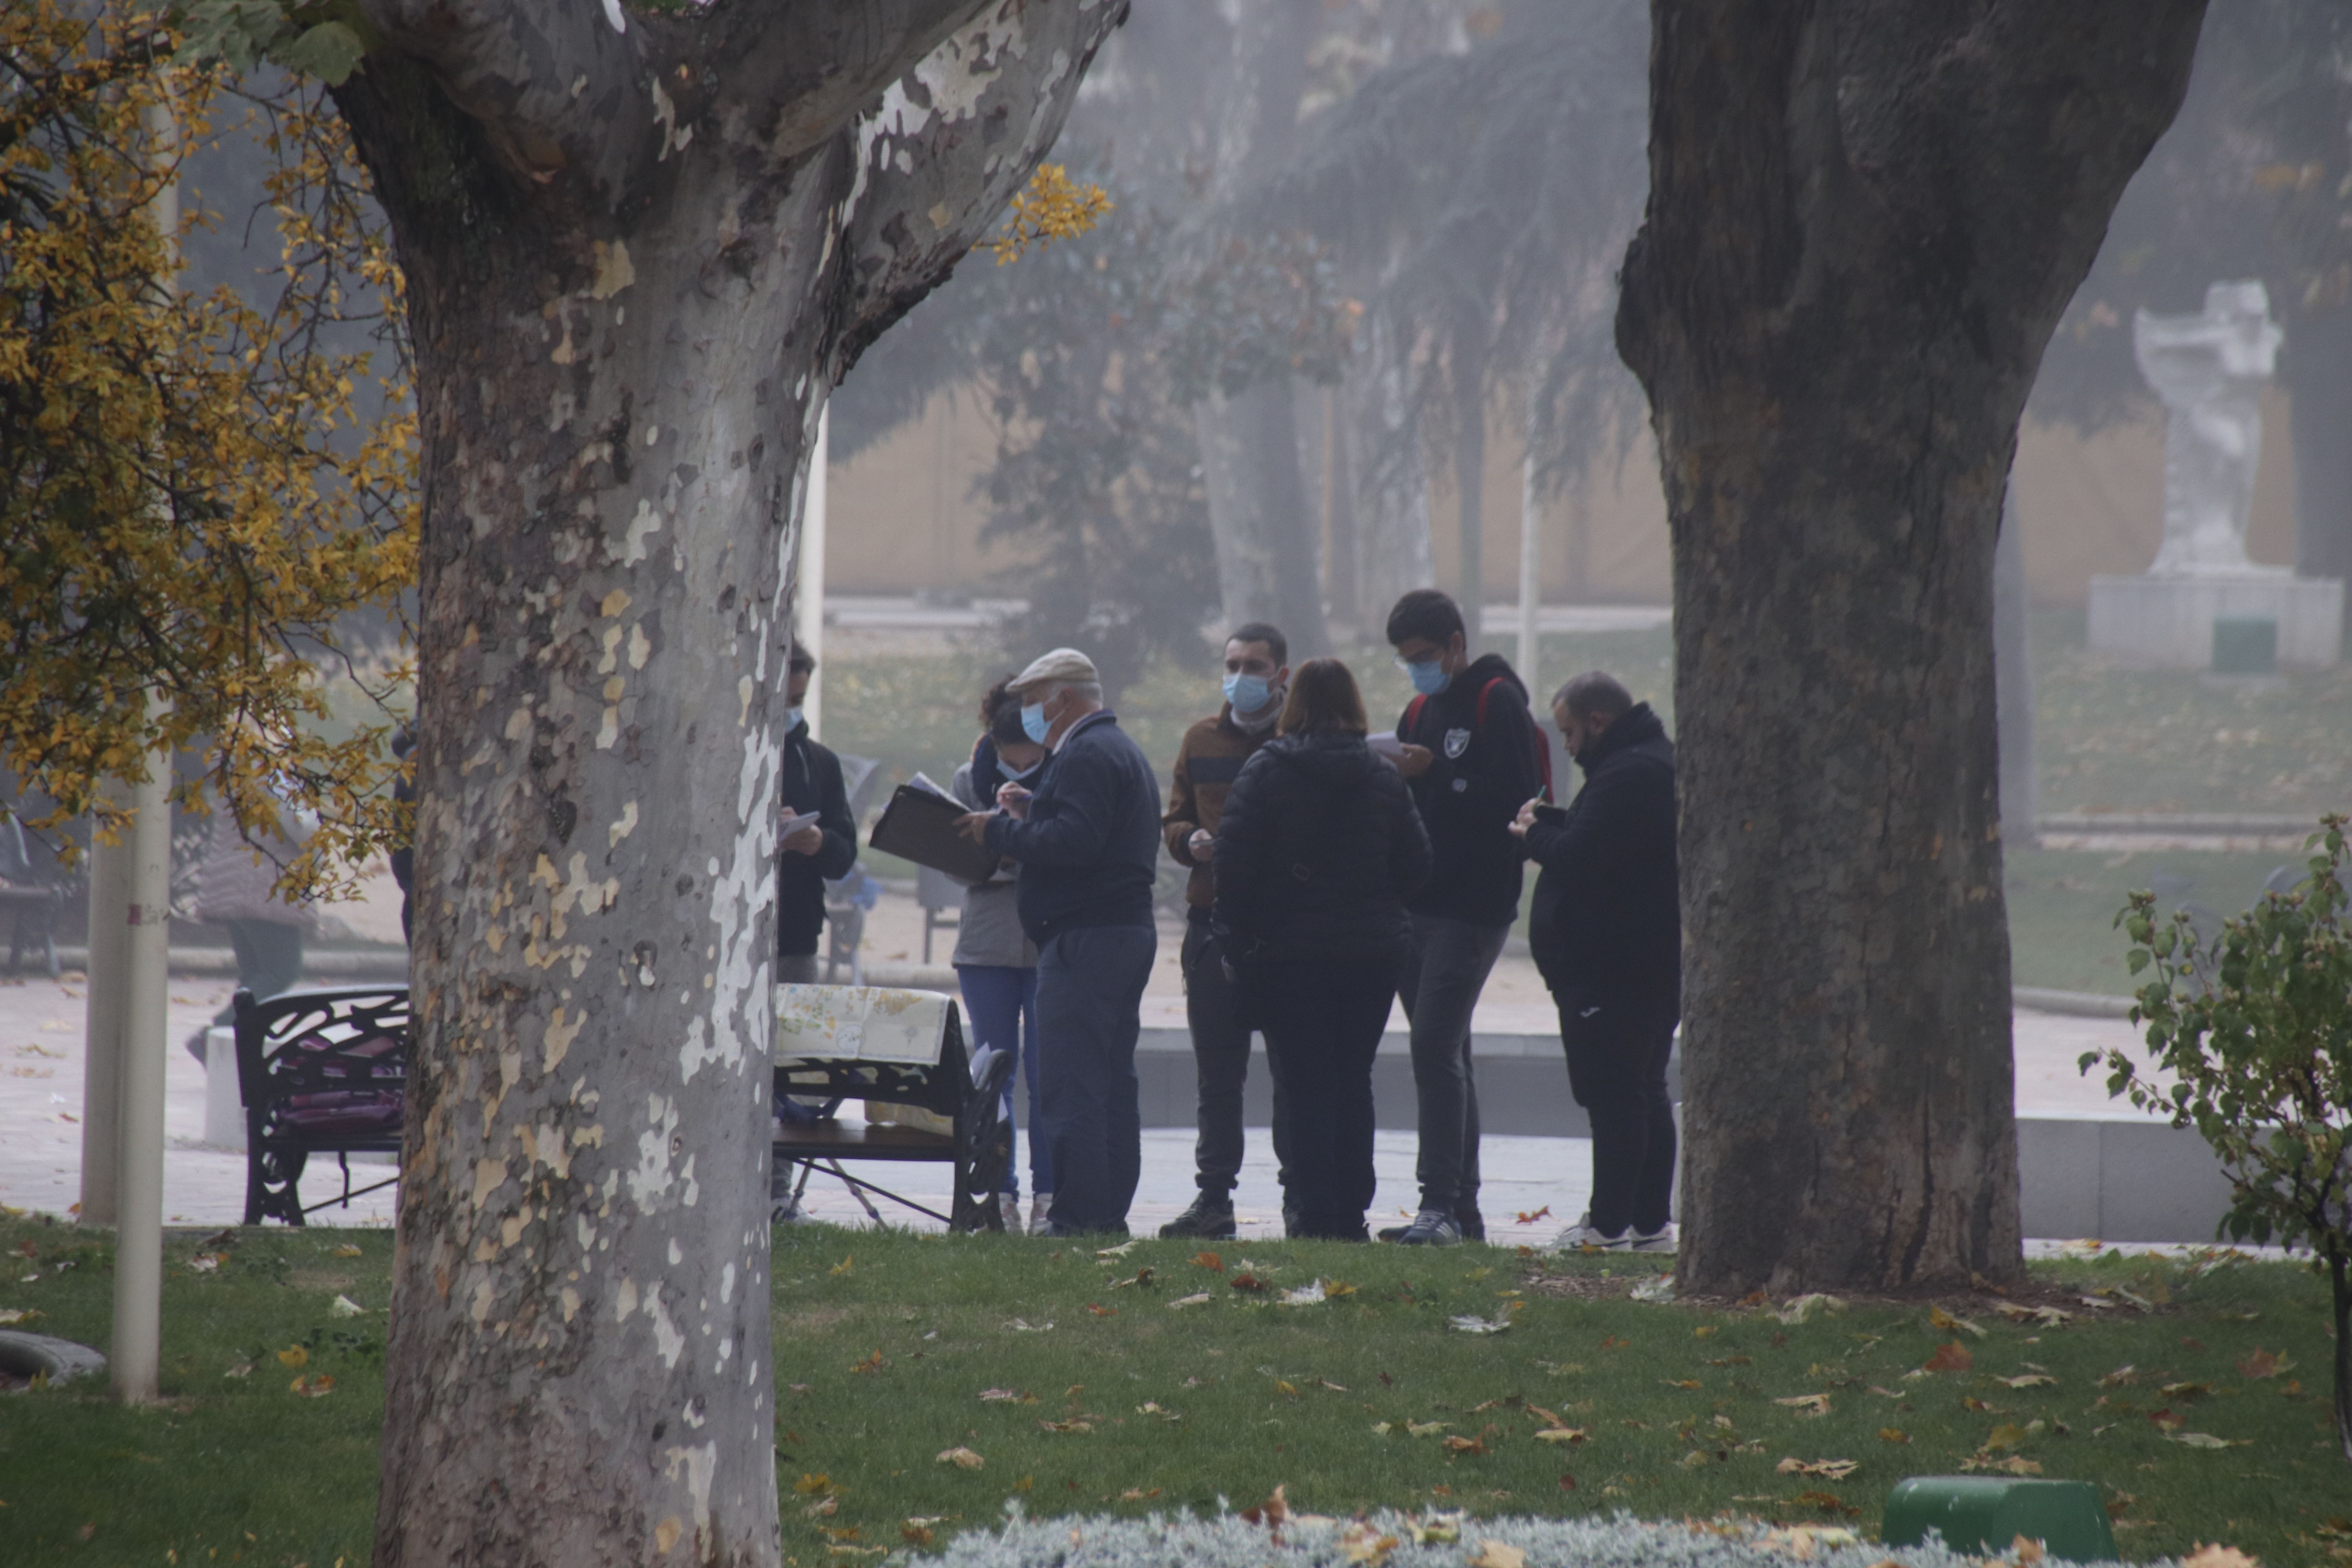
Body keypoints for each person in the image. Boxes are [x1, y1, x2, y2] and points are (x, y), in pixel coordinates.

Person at [1214, 659, 1429, 1241]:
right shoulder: (1383, 778)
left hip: (1289, 956)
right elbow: (1418, 866)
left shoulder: (1265, 772)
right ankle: (1352, 1212)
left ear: (1294, 705)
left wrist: (1235, 938)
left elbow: (1232, 868)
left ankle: (1312, 1212)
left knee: (1304, 1083)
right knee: (1353, 1079)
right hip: (1370, 955)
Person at [955, 647, 1160, 1237]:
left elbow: (1077, 845)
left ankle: (1079, 1219)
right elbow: (1087, 830)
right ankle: (1105, 1214)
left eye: (1032, 701)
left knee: (1072, 1088)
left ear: (1063, 699)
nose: (1027, 714)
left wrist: (999, 830)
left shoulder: (1087, 753)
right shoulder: (1112, 747)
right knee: (1110, 1086)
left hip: (1086, 941)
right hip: (1117, 935)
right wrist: (1036, 807)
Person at [1380, 588, 1549, 1245]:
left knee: (1433, 1047)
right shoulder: (1420, 707)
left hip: (1472, 907)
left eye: (1424, 655)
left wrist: (1437, 778)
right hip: (1417, 903)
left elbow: (1516, 803)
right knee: (1449, 1050)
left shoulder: (1495, 701)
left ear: (1456, 644)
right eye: (1405, 660)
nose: (1416, 669)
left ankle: (1438, 1204)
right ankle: (1462, 1211)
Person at [1512, 672, 1680, 1253]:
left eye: (1569, 733)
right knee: (1642, 1089)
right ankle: (1649, 1222)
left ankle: (1607, 1225)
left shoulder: (1629, 773)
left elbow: (1580, 859)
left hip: (1613, 969)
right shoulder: (1645, 763)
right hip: (1642, 964)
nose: (1567, 746)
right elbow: (1605, 841)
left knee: (1614, 1095)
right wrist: (1554, 821)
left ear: (1597, 721)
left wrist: (1532, 834)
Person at [1157, 621, 1290, 1240]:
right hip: (1212, 923)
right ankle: (1214, 1201)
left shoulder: (1299, 742)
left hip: (1286, 931)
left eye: (1255, 666)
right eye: (1233, 664)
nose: (1240, 677)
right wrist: (1190, 842)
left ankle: (1302, 1198)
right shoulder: (1201, 739)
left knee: (1294, 1072)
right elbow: (1175, 818)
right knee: (1218, 1076)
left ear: (1281, 675)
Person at [951, 679, 1051, 1236]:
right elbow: (956, 862)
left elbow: (1069, 847)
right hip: (986, 942)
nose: (1019, 764)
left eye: (1029, 754)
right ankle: (999, 1192)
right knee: (993, 1073)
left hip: (1043, 941)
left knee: (1046, 1072)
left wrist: (1016, 841)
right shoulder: (971, 780)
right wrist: (1003, 849)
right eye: (1010, 754)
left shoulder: (1062, 777)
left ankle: (1048, 1194)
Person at [192, 798, 318, 1056]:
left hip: (233, 882)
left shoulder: (233, 768)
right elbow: (302, 827)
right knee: (280, 972)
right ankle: (215, 1036)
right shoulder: (272, 769)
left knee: (255, 976)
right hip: (265, 884)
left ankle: (239, 1051)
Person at [775, 643, 858, 984]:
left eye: (798, 701)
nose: (791, 711)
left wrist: (819, 842)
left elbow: (845, 855)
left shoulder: (820, 762)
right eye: (784, 701)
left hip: (796, 934)